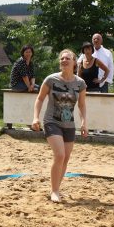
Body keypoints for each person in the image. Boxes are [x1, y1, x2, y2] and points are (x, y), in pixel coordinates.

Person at [32, 49, 88, 203]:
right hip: (52, 121)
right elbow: (39, 99)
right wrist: (35, 118)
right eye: (62, 58)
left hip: (69, 124)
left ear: (74, 62)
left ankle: (57, 187)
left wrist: (84, 123)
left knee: (65, 158)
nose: (64, 60)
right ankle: (54, 191)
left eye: (67, 58)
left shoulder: (80, 83)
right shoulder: (51, 79)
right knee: (60, 155)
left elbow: (82, 105)